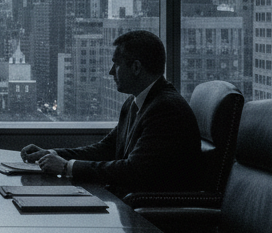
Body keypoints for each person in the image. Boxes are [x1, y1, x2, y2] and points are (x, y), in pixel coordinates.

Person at [20, 30, 201, 194]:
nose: (111, 71)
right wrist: (51, 153)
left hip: (152, 214)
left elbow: (134, 170)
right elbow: (106, 148)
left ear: (136, 68)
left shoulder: (166, 109)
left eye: (116, 64)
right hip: (129, 201)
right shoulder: (135, 101)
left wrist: (66, 167)